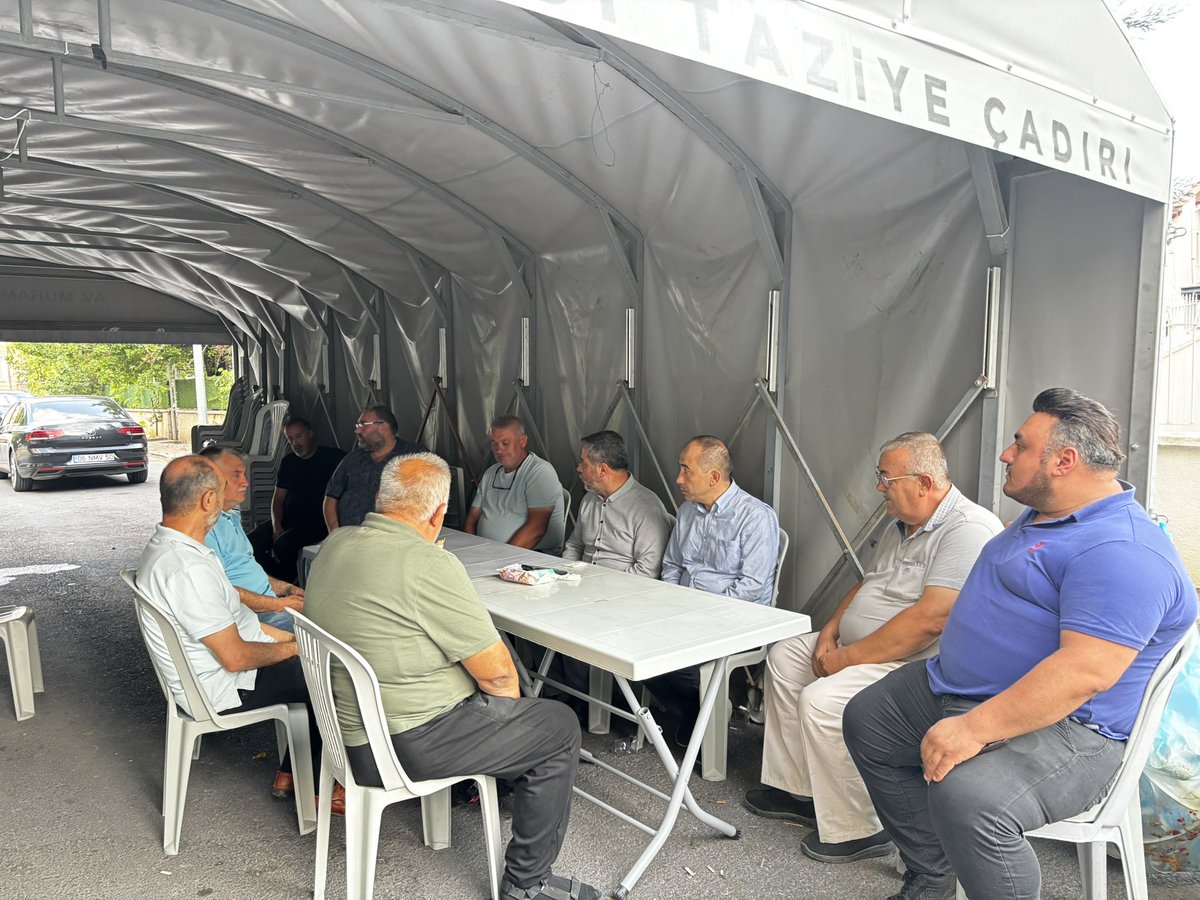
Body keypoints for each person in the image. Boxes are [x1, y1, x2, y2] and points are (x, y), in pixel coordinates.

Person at [843, 389, 1198, 900]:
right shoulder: (1050, 512)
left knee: (970, 798)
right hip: (963, 686)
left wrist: (973, 729)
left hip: (1069, 728)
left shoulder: (1123, 552)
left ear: (1064, 460)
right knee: (868, 719)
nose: (1006, 454)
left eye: (1020, 444)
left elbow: (1084, 673)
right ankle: (934, 874)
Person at [304, 453, 599, 900]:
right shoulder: (427, 564)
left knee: (511, 716)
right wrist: (512, 736)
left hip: (344, 738)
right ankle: (527, 884)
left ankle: (499, 789)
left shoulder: (336, 543)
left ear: (381, 499)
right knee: (556, 726)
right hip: (405, 744)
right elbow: (499, 679)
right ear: (439, 513)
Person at [745, 433, 1002, 864]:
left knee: (822, 699)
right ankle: (800, 790)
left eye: (886, 478)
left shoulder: (968, 529)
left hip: (914, 661)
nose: (879, 487)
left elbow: (930, 621)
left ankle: (860, 828)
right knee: (787, 656)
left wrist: (844, 659)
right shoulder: (901, 524)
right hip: (867, 645)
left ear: (923, 482)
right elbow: (871, 583)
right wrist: (830, 630)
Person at [135, 455, 336, 811]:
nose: (240, 485)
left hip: (222, 670)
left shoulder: (173, 547)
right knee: (334, 677)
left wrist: (292, 640)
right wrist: (298, 651)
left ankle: (295, 774)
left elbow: (243, 622)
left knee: (323, 657)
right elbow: (235, 657)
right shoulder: (187, 568)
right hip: (224, 688)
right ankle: (320, 790)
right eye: (224, 485)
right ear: (208, 501)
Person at [649, 435, 780, 745]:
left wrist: (702, 616)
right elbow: (672, 566)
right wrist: (672, 604)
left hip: (733, 618)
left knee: (677, 661)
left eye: (686, 470)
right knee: (634, 651)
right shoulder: (687, 512)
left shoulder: (755, 517)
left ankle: (707, 714)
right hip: (683, 612)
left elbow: (752, 587)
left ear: (715, 477)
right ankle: (693, 712)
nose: (678, 478)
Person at [200, 446, 305, 632]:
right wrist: (278, 605)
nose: (245, 483)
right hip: (250, 617)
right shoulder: (204, 528)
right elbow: (220, 591)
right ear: (211, 480)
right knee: (342, 635)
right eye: (236, 475)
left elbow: (247, 572)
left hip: (268, 607)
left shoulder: (229, 517)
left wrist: (286, 589)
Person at [562, 430, 674, 578]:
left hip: (622, 591)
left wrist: (604, 585)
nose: (579, 468)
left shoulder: (647, 508)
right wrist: (569, 574)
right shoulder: (589, 499)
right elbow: (574, 546)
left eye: (584, 463)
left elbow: (648, 570)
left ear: (602, 469)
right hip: (580, 583)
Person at [247, 417, 344, 583]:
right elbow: (278, 499)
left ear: (310, 433)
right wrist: (276, 523)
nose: (295, 443)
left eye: (299, 436)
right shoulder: (288, 462)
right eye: (290, 439)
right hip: (288, 519)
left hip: (317, 522)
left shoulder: (334, 458)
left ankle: (289, 580)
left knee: (283, 546)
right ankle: (279, 579)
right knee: (249, 543)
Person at [465, 415, 565, 554]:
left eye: (505, 443)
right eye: (494, 444)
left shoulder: (539, 472)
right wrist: (471, 549)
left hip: (531, 556)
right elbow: (472, 519)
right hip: (487, 552)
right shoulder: (490, 473)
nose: (499, 449)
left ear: (523, 441)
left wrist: (500, 558)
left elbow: (536, 529)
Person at [323, 406, 424, 530]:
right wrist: (335, 532)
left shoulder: (415, 457)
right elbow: (331, 497)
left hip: (394, 540)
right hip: (349, 540)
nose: (357, 431)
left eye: (363, 425)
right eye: (357, 426)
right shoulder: (352, 459)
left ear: (383, 426)